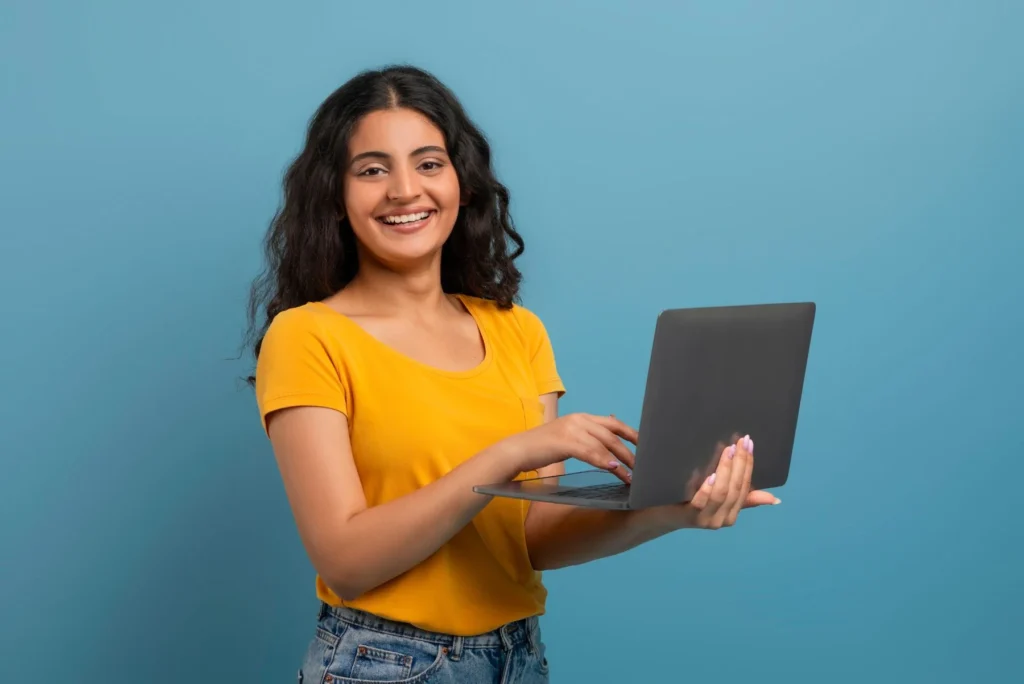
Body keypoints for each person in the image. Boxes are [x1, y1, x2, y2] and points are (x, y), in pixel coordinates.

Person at [245, 64, 779, 684]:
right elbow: (346, 561)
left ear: (462, 183)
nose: (403, 190)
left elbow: (530, 539)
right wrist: (509, 454)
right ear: (335, 196)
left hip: (516, 658)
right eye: (372, 169)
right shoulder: (308, 336)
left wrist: (672, 511)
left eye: (428, 163)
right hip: (381, 661)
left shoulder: (517, 331)